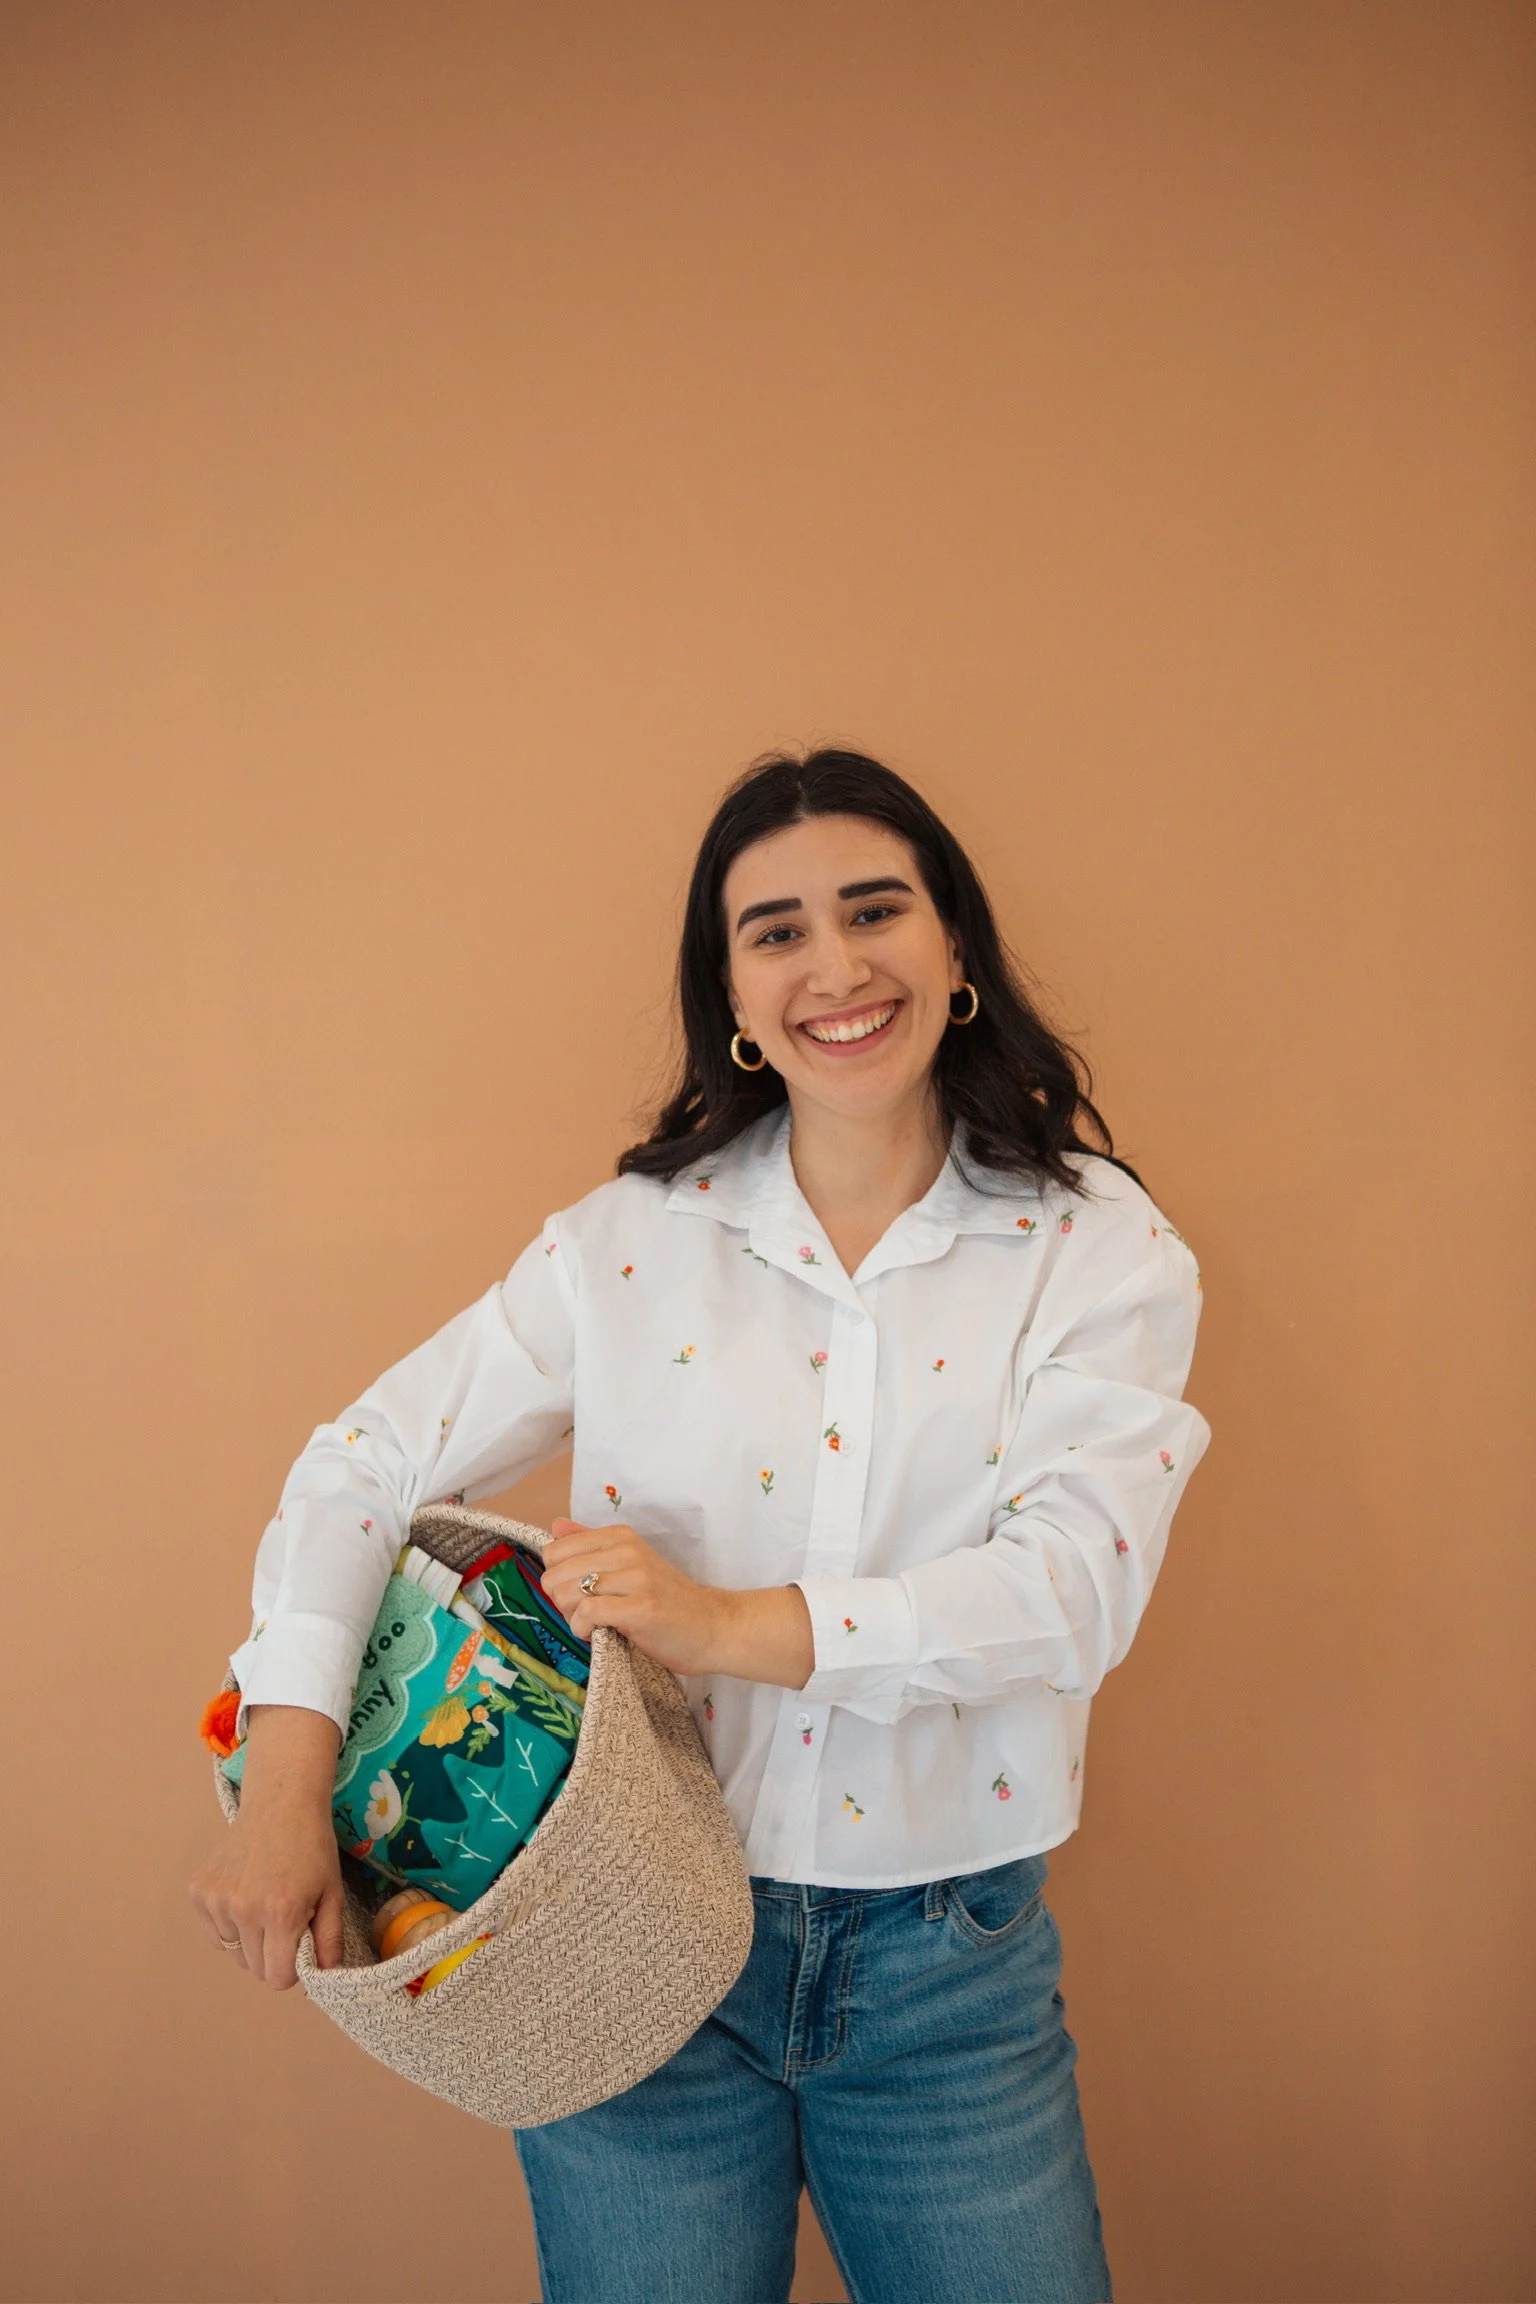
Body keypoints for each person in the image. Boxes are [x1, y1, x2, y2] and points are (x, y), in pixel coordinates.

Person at [189, 745, 1210, 2304]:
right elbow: (361, 1461)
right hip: (617, 1933)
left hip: (949, 1969)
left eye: (876, 910)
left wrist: (728, 1625)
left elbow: (1075, 1589)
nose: (836, 966)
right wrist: (285, 1776)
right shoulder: (626, 1245)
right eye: (777, 931)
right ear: (732, 993)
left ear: (955, 951)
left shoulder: (1096, 1247)